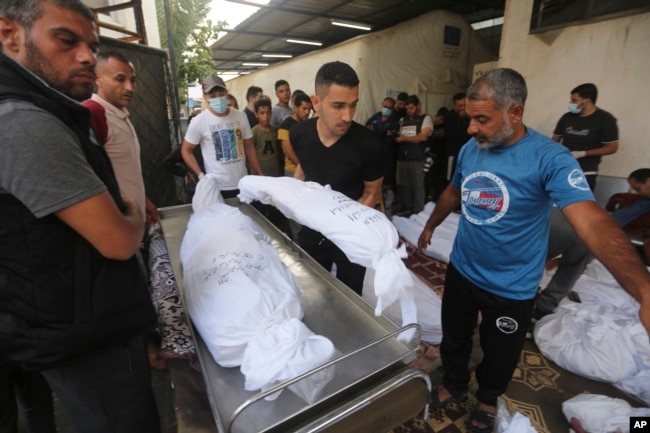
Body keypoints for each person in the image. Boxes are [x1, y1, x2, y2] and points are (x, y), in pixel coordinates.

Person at [417, 68, 650, 433]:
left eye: (482, 119)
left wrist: (644, 290)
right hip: (463, 270)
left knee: (500, 351)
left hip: (511, 286)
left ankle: (487, 399)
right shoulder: (470, 148)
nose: (471, 129)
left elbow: (591, 220)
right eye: (469, 119)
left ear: (515, 113)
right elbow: (454, 189)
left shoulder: (549, 158)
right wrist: (431, 224)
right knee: (456, 335)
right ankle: (455, 383)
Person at [0, 1, 161, 433]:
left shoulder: (54, 110)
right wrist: (126, 209)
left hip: (73, 315)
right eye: (66, 40)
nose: (88, 56)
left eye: (90, 44)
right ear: (9, 34)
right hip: (87, 334)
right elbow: (118, 240)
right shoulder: (25, 121)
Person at [291, 61, 384, 295]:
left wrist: (341, 228)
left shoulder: (371, 145)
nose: (348, 116)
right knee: (311, 291)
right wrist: (290, 196)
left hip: (351, 236)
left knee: (350, 295)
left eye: (353, 105)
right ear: (316, 102)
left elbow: (372, 193)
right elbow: (304, 166)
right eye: (338, 105)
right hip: (312, 230)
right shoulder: (299, 135)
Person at [82, 50, 159, 224]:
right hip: (116, 226)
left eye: (133, 80)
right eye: (120, 79)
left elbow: (124, 171)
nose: (129, 87)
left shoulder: (119, 114)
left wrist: (142, 199)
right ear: (98, 79)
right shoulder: (92, 114)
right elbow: (89, 182)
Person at [181, 74, 263, 199]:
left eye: (221, 93)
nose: (218, 98)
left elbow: (249, 146)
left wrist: (259, 174)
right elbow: (186, 150)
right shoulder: (199, 121)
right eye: (212, 96)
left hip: (242, 183)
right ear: (205, 97)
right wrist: (200, 175)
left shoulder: (240, 116)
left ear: (226, 92)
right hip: (217, 187)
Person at [552, 83, 619, 190]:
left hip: (586, 171)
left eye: (574, 100)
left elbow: (612, 147)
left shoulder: (605, 119)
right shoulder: (567, 117)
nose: (570, 103)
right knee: (555, 201)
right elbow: (555, 140)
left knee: (577, 203)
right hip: (562, 167)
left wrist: (582, 153)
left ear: (586, 101)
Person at [395, 94, 433, 214]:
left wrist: (404, 139)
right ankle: (406, 206)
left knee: (418, 186)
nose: (409, 111)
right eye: (407, 108)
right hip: (403, 157)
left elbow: (423, 136)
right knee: (404, 185)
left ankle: (418, 211)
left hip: (418, 157)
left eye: (411, 107)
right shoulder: (403, 120)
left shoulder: (425, 118)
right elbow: (399, 135)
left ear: (418, 106)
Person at [365, 96, 400, 215]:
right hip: (374, 154)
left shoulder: (395, 121)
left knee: (387, 180)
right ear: (382, 105)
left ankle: (388, 205)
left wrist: (385, 132)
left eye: (390, 108)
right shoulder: (375, 117)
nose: (387, 109)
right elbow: (367, 129)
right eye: (385, 107)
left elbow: (394, 136)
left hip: (388, 154)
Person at [278, 92, 313, 177]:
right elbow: (288, 152)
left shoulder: (308, 123)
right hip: (292, 170)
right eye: (304, 109)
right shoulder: (285, 126)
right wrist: (303, 168)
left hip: (308, 169)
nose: (307, 112)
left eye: (309, 109)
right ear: (295, 107)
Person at [251, 98, 283, 177]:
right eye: (262, 113)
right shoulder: (254, 132)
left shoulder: (276, 130)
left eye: (268, 113)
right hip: (261, 173)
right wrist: (254, 174)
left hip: (276, 172)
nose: (265, 116)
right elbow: (251, 155)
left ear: (271, 113)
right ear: (256, 114)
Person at [443, 93, 471, 182]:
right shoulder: (449, 116)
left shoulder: (470, 115)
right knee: (451, 178)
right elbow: (453, 135)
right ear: (455, 105)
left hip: (468, 152)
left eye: (465, 104)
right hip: (454, 152)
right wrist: (461, 119)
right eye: (460, 105)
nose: (463, 107)